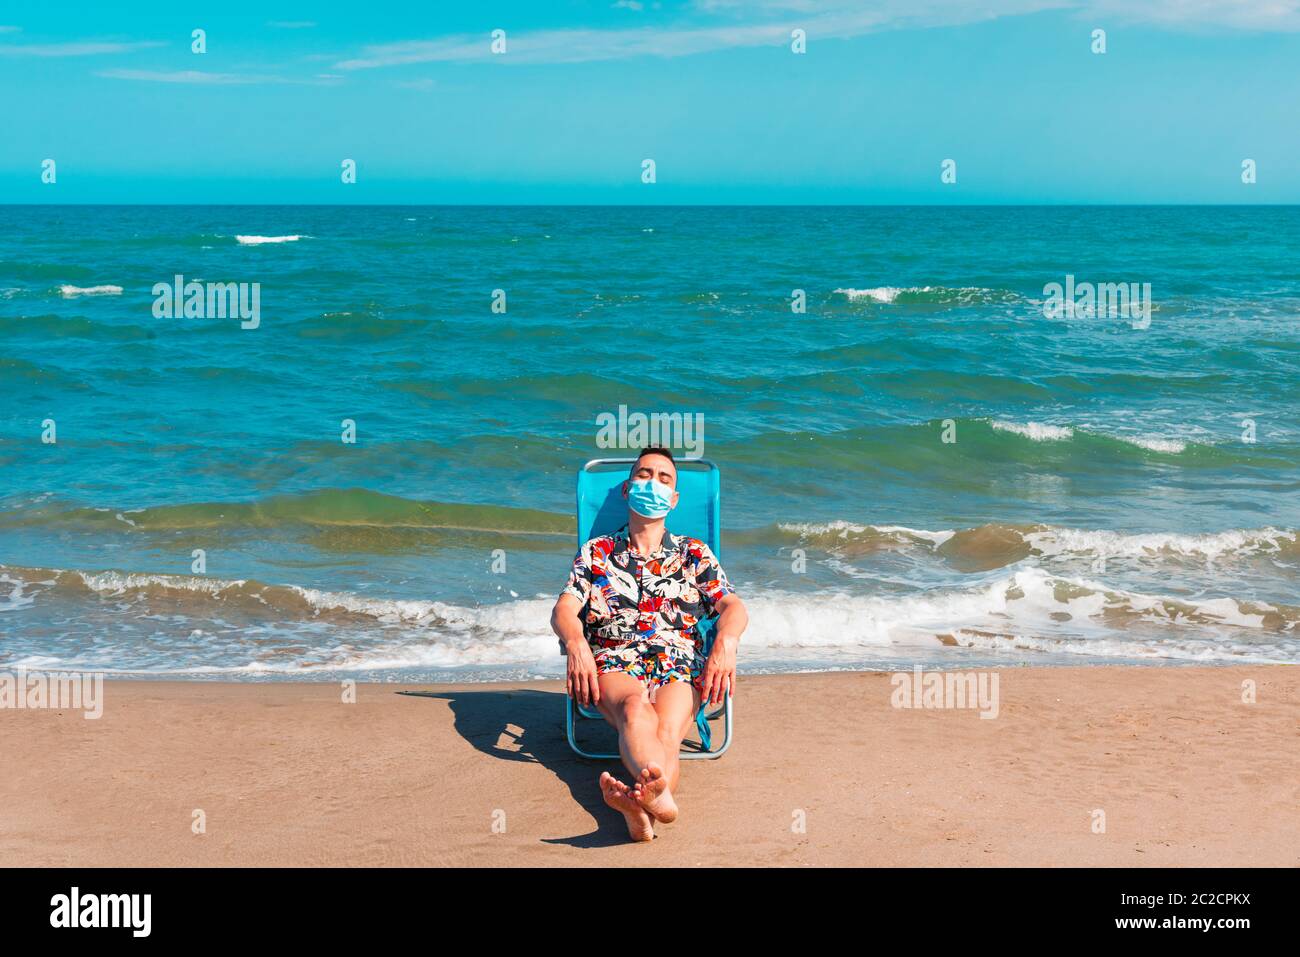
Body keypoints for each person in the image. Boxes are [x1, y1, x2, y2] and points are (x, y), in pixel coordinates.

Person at [550, 447, 749, 841]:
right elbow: (563, 610)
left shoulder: (694, 554)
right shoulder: (597, 553)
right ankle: (658, 804)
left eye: (664, 478)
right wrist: (575, 643)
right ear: (627, 489)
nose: (652, 483)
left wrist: (726, 640)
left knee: (670, 728)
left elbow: (733, 606)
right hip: (615, 658)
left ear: (674, 499)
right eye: (644, 474)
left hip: (680, 658)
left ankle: (642, 813)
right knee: (635, 711)